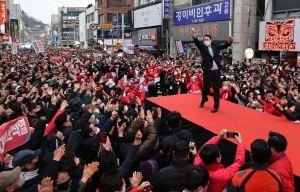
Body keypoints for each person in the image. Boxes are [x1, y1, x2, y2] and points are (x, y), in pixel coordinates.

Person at [191, 29, 233, 113]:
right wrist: (194, 35)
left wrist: (229, 42)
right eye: (204, 40)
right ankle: (203, 100)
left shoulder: (215, 45)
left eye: (207, 39)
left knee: (216, 89)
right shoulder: (202, 47)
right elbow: (196, 42)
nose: (206, 41)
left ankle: (216, 106)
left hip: (216, 70)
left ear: (211, 40)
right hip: (207, 70)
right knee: (205, 88)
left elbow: (223, 46)